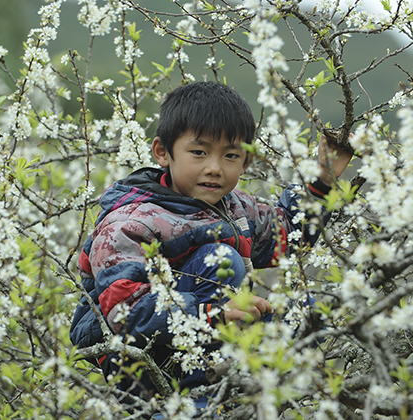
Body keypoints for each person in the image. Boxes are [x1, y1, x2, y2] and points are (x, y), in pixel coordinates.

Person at [69, 81, 352, 403]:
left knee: (309, 312)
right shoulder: (130, 221)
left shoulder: (236, 209)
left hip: (209, 333)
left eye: (231, 156)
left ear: (246, 163)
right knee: (219, 258)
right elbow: (125, 311)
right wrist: (213, 315)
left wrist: (324, 179)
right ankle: (197, 403)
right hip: (137, 358)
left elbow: (286, 237)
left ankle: (242, 393)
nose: (214, 168)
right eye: (199, 152)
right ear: (163, 152)